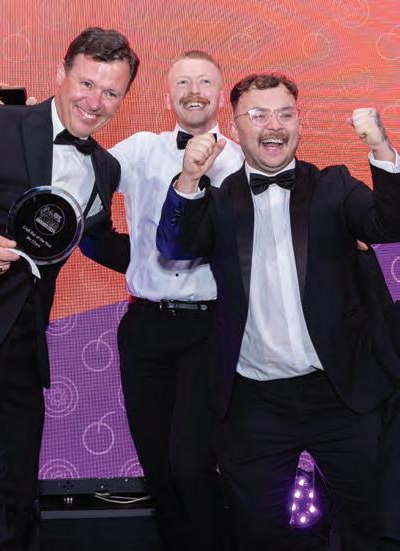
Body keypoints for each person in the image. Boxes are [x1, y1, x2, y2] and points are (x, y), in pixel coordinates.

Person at [156, 72, 400, 550]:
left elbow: (390, 223)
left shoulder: (333, 186)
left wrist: (381, 147)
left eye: (285, 114)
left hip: (341, 393)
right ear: (234, 126)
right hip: (255, 402)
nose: (274, 125)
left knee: (372, 524)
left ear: (299, 123)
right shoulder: (219, 199)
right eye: (259, 114)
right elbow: (175, 245)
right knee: (258, 533)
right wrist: (188, 178)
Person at [0, 27, 138, 551]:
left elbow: (100, 243)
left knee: (19, 500)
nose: (95, 102)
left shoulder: (105, 169)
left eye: (111, 92)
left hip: (23, 356)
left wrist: (197, 248)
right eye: (86, 84)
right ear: (61, 73)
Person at [81, 50, 244, 551]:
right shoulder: (140, 150)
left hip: (209, 327)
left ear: (220, 93)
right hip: (146, 325)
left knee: (191, 463)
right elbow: (83, 187)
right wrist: (140, 261)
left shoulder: (241, 159)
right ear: (168, 94)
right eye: (183, 82)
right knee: (157, 467)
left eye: (205, 82)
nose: (194, 91)